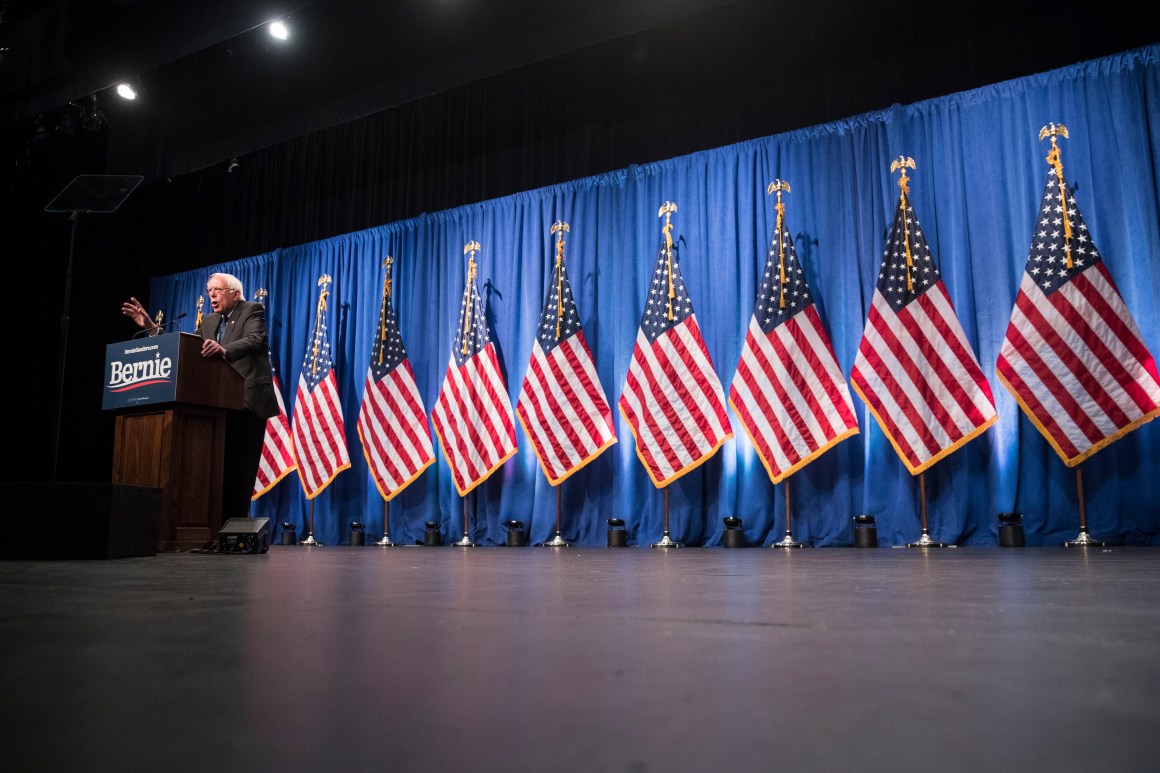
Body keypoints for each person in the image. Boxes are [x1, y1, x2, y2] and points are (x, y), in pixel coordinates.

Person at [122, 273, 279, 526]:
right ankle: (212, 528)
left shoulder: (252, 309)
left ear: (235, 293)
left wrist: (224, 349)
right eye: (208, 291)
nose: (211, 295)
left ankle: (234, 528)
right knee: (216, 470)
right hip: (217, 405)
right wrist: (152, 328)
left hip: (247, 402)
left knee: (240, 470)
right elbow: (185, 346)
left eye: (217, 290)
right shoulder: (209, 321)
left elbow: (254, 339)